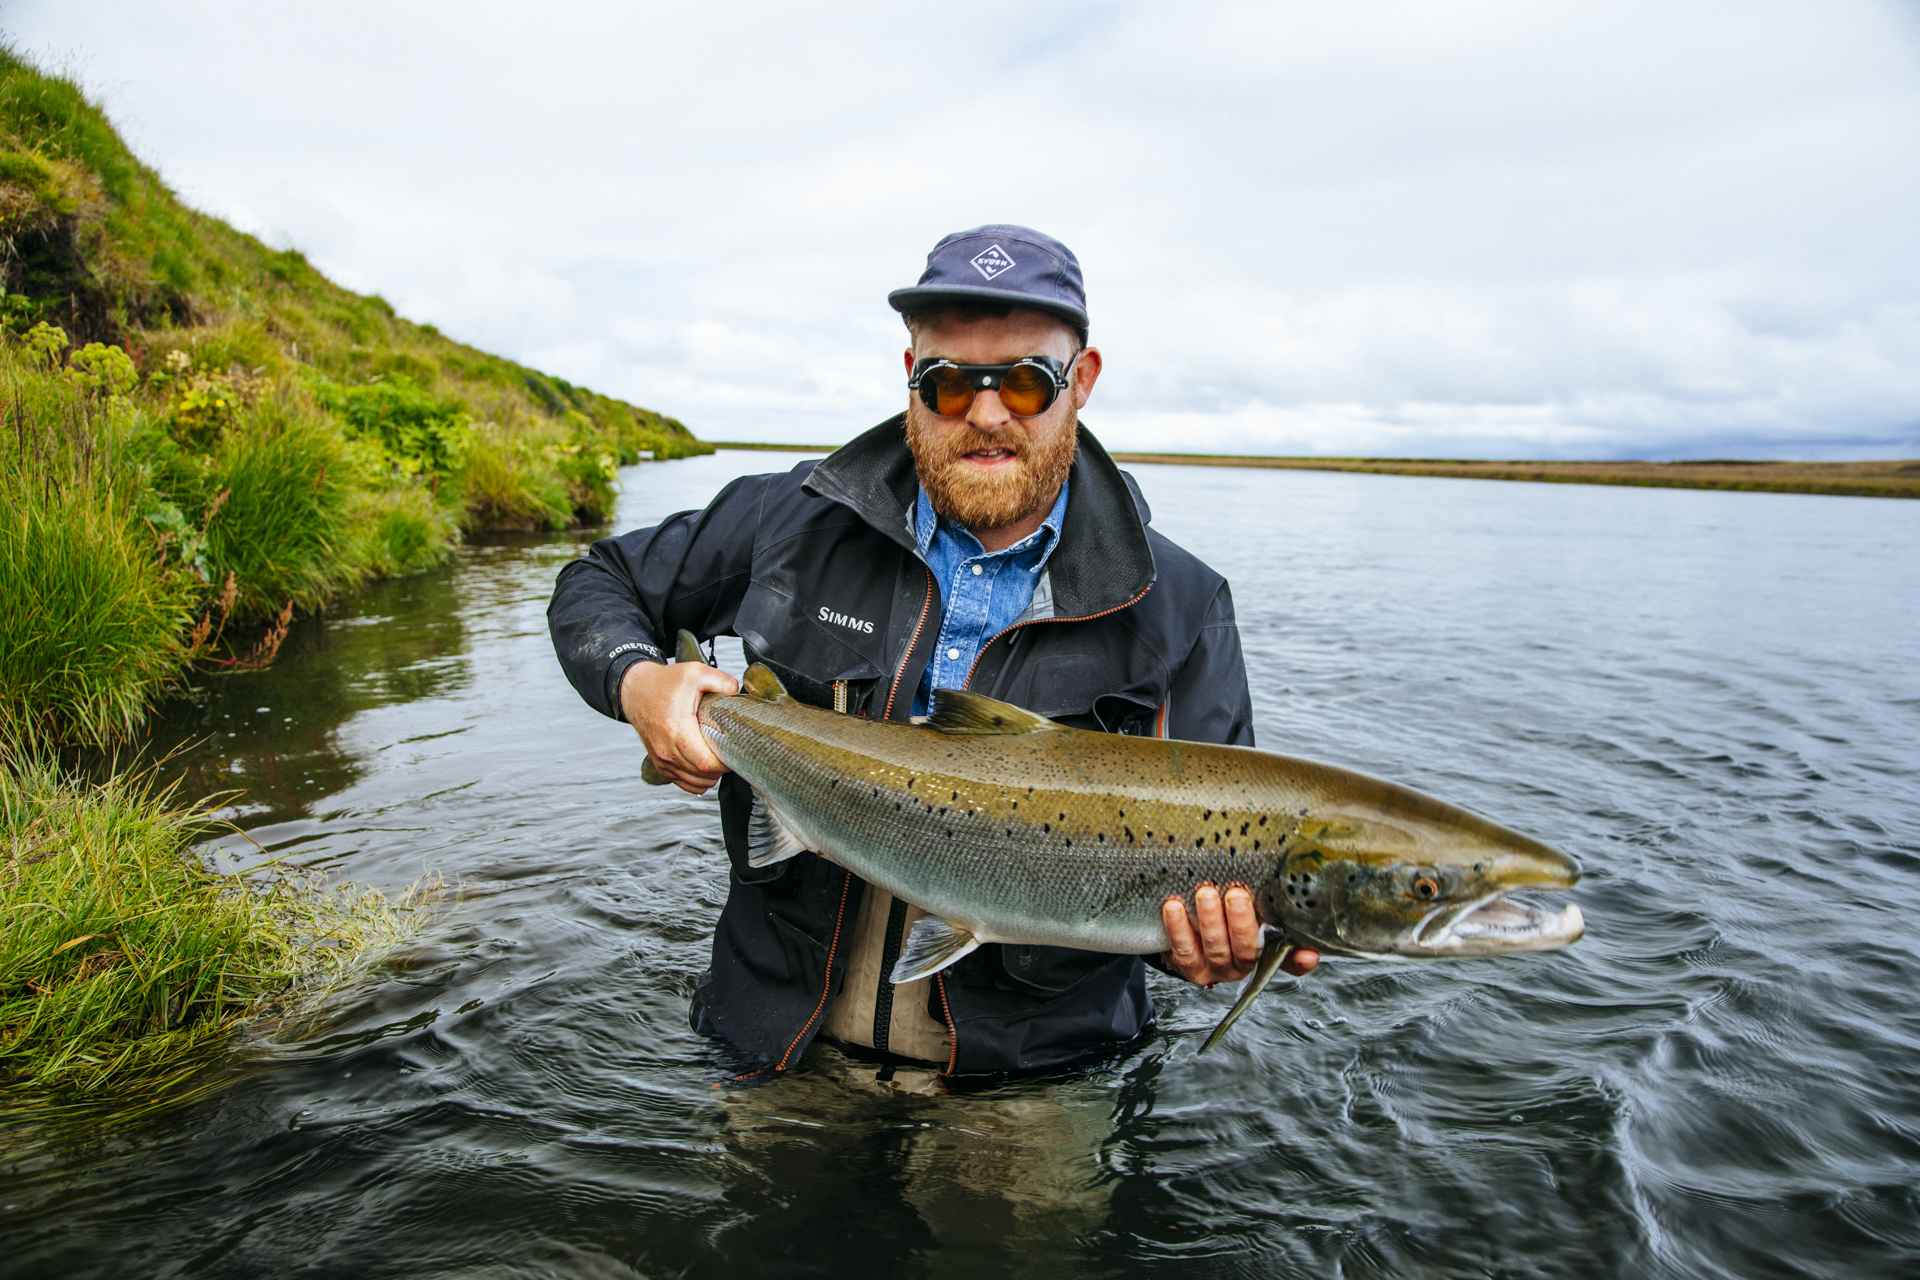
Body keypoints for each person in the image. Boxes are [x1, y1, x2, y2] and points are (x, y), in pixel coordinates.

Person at [547, 224, 1318, 1078]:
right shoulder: (789, 520)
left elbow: (1206, 895)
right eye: (949, 383)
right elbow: (598, 581)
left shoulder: (1181, 606)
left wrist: (1202, 950)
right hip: (773, 1042)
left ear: (1083, 381)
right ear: (908, 377)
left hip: (1031, 1077)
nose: (986, 415)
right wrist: (641, 681)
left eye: (1026, 382)